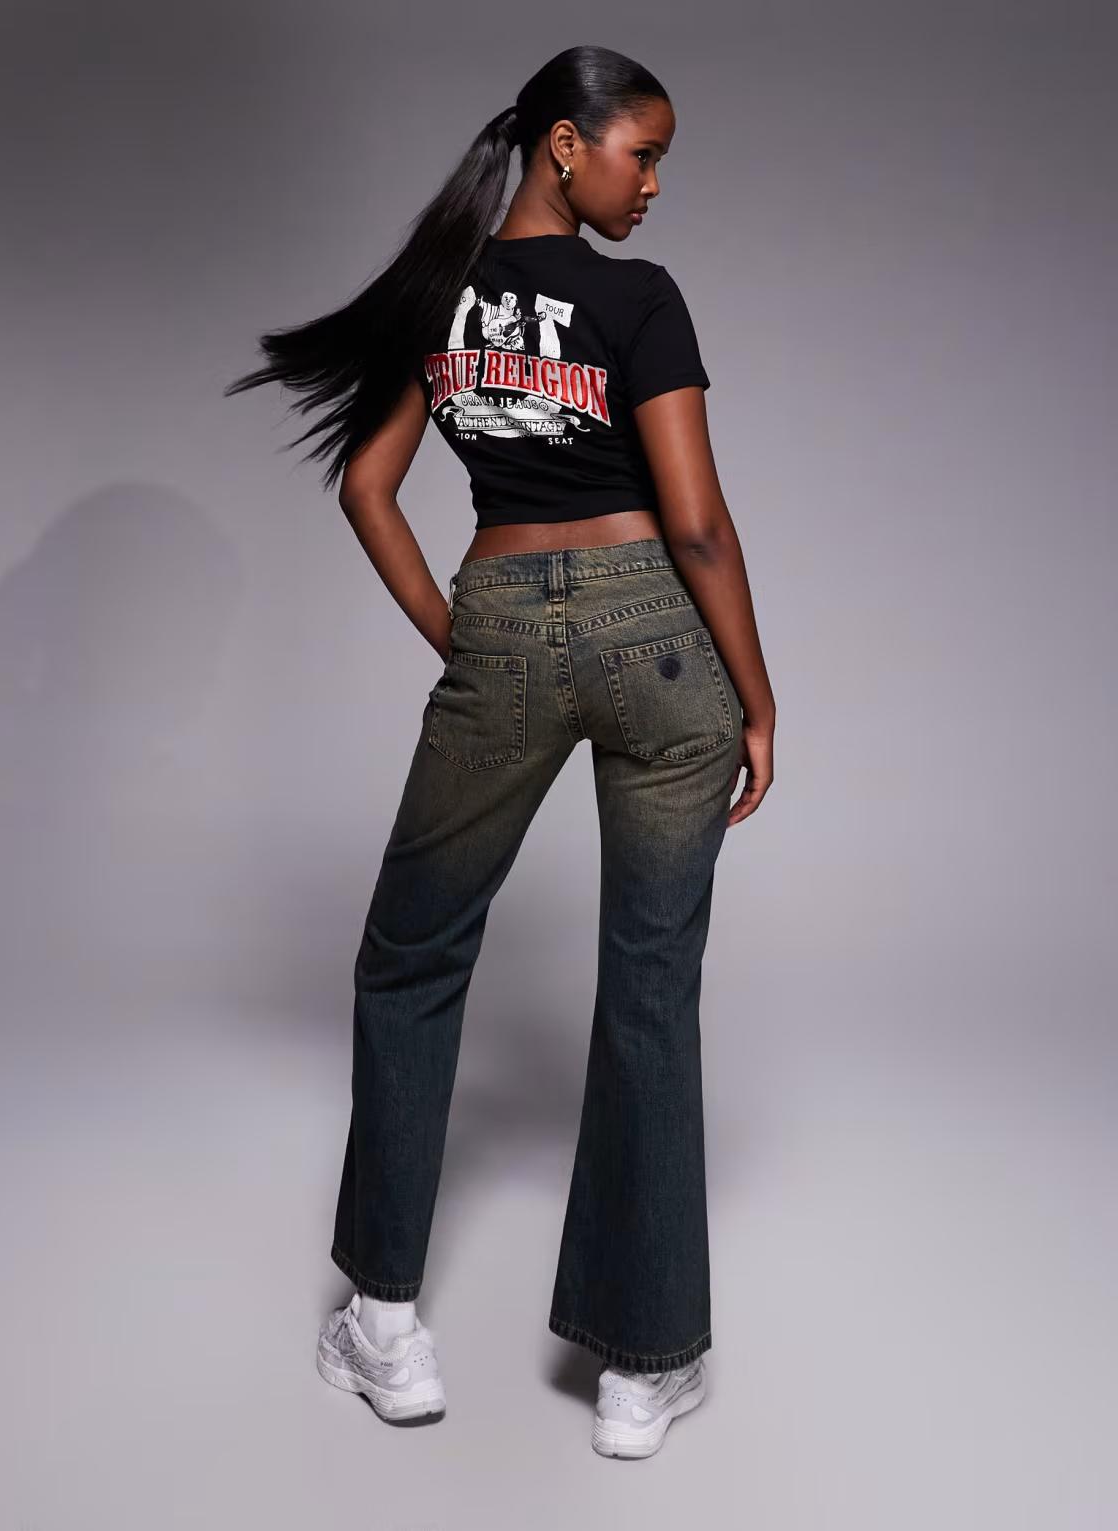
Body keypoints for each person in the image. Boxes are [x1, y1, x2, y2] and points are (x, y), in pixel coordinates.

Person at [225, 43, 776, 1460]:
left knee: (413, 957)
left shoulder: (441, 298)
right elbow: (696, 523)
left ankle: (385, 1326)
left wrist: (461, 638)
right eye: (641, 154)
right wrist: (759, 697)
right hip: (658, 636)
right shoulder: (641, 301)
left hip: (508, 625)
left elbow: (368, 486)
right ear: (563, 146)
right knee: (650, 987)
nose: (653, 186)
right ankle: (642, 1370)